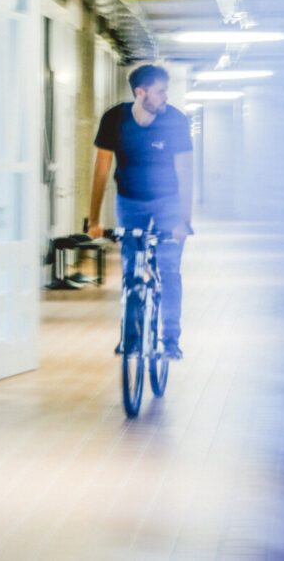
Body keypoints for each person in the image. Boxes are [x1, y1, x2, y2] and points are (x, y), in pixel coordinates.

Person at [86, 64, 193, 359]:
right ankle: (130, 337)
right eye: (160, 92)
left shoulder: (175, 121)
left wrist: (184, 221)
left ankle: (170, 339)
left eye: (166, 92)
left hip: (168, 201)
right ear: (140, 92)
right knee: (131, 270)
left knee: (169, 270)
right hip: (129, 199)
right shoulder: (115, 119)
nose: (165, 97)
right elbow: (101, 172)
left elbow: (185, 172)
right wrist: (93, 219)